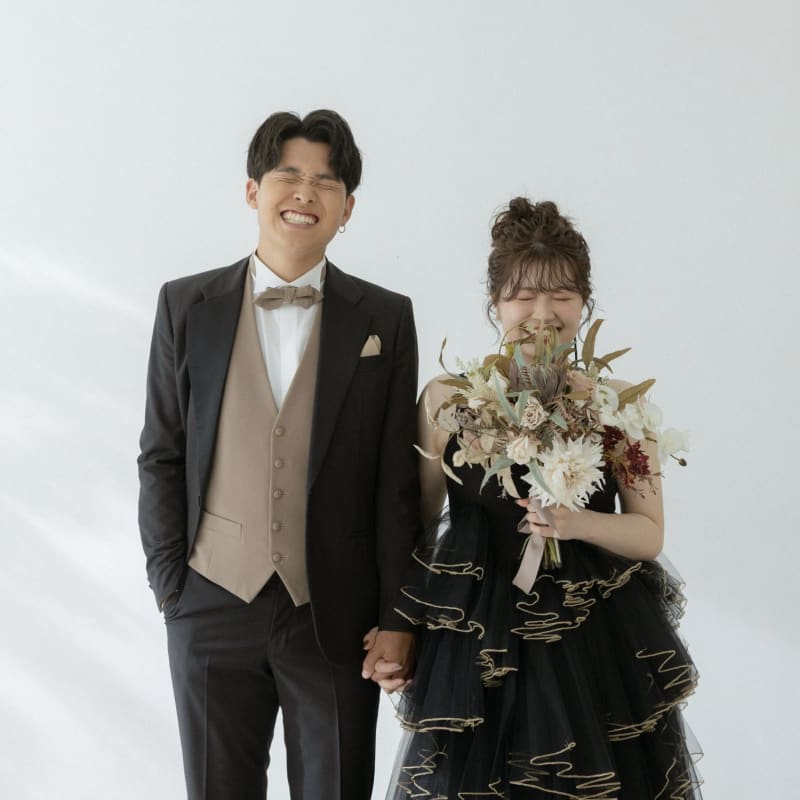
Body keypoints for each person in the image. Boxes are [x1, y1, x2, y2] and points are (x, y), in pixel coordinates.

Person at [137, 109, 419, 800]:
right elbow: (162, 454)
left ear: (347, 208)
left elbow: (396, 483)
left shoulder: (385, 318)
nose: (304, 193)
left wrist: (398, 616)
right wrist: (172, 586)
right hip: (210, 600)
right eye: (288, 175)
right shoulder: (185, 305)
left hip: (337, 614)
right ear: (252, 190)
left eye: (326, 182)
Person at [379, 197, 701, 798]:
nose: (542, 314)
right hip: (477, 638)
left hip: (593, 636)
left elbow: (648, 532)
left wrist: (574, 524)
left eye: (562, 296)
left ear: (585, 303)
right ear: (495, 302)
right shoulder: (448, 400)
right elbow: (417, 528)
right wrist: (399, 626)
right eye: (523, 296)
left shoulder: (619, 404)